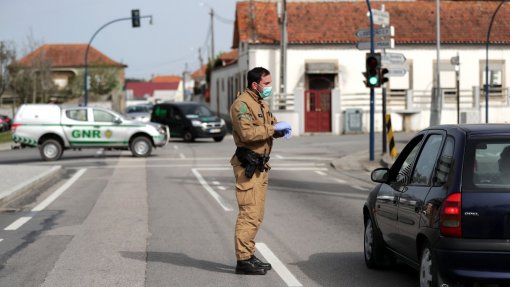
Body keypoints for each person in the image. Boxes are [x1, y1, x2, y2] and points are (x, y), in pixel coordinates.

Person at [229, 67, 292, 275]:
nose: (269, 87)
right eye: (266, 84)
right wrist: (273, 129)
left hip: (261, 165)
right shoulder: (241, 105)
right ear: (255, 85)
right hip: (248, 165)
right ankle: (243, 260)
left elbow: (271, 127)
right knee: (249, 214)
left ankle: (249, 253)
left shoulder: (260, 104)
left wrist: (280, 129)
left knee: (257, 214)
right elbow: (247, 133)